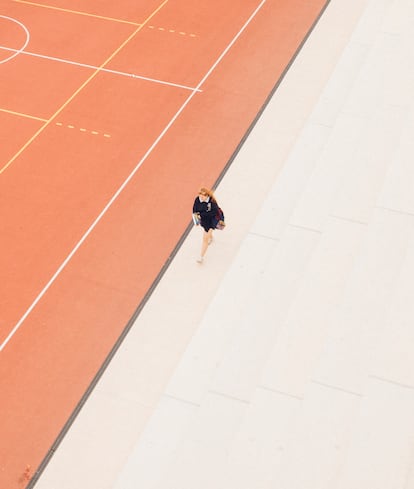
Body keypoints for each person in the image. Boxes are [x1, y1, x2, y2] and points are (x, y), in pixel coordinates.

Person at [193, 187, 219, 263]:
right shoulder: (198, 200)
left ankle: (201, 257)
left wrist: (202, 215)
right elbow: (194, 209)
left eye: (203, 196)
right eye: (200, 195)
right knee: (207, 233)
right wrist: (196, 220)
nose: (201, 198)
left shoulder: (212, 202)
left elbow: (214, 213)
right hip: (204, 221)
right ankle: (211, 237)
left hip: (212, 221)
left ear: (207, 195)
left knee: (205, 239)